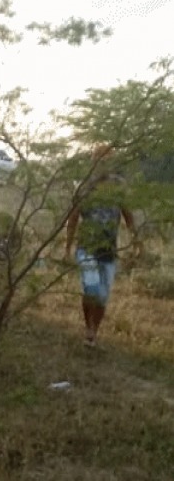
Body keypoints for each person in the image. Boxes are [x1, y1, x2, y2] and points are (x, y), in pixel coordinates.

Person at [64, 145, 141, 347]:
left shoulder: (118, 186)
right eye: (100, 160)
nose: (104, 164)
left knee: (103, 296)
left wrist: (135, 241)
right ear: (94, 162)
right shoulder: (83, 187)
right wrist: (67, 248)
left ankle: (93, 332)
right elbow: (73, 219)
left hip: (109, 250)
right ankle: (88, 327)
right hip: (87, 247)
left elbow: (128, 215)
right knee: (91, 287)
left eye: (108, 160)